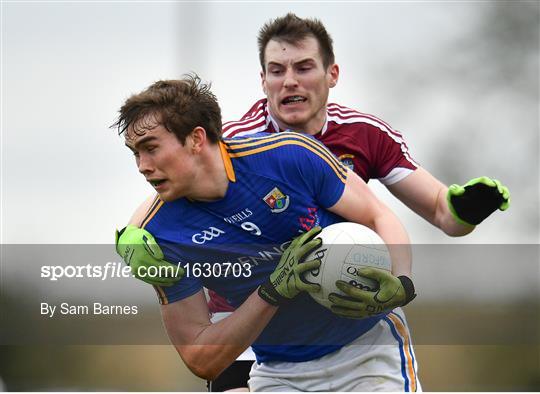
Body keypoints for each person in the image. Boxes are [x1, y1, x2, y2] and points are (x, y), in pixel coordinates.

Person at [118, 13, 510, 391]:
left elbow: (424, 212)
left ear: (331, 74)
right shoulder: (233, 141)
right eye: (276, 70)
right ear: (263, 80)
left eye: (303, 67)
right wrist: (132, 235)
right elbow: (164, 204)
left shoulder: (348, 138)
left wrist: (419, 263)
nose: (289, 81)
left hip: (359, 337)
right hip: (248, 329)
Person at [114, 75, 419, 391]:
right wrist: (272, 292)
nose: (142, 166)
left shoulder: (290, 157)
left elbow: (377, 214)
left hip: (368, 353)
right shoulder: (158, 240)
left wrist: (403, 282)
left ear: (196, 139)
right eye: (135, 153)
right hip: (279, 373)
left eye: (150, 148)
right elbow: (201, 358)